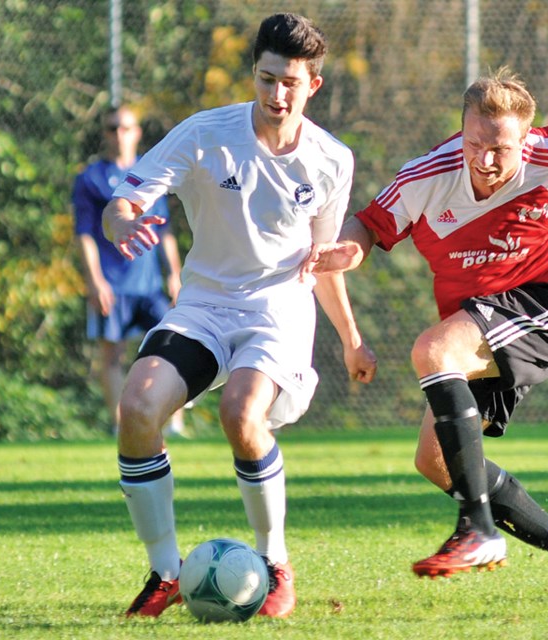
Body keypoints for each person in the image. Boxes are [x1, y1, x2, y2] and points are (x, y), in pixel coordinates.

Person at [306, 67, 548, 600]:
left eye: (501, 148)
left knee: (433, 350)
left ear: (527, 140)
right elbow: (368, 224)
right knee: (435, 460)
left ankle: (477, 528)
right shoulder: (427, 177)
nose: (485, 159)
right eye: (475, 142)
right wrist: (350, 248)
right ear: (462, 130)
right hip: (485, 320)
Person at [103, 13, 377, 619]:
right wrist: (122, 221)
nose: (277, 95)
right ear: (254, 74)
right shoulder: (206, 133)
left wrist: (352, 340)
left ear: (314, 87)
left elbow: (321, 262)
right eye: (266, 78)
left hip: (277, 312)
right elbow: (125, 199)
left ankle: (276, 561)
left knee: (241, 414)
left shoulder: (331, 160)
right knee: (138, 407)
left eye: (291, 83)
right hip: (203, 306)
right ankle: (165, 571)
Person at [72, 106, 185, 437]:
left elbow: (164, 231)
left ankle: (174, 422)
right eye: (111, 128)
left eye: (125, 127)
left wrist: (174, 273)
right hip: (113, 284)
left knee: (172, 346)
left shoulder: (151, 174)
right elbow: (85, 234)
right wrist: (95, 280)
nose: (118, 134)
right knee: (112, 355)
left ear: (137, 132)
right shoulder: (91, 178)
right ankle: (121, 424)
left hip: (149, 285)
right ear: (105, 134)